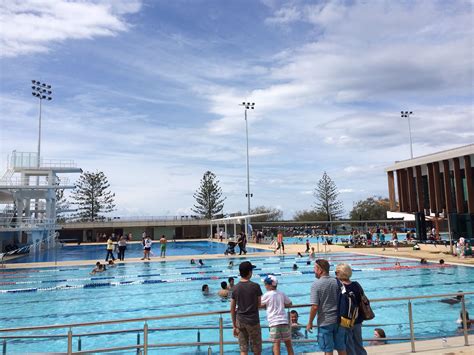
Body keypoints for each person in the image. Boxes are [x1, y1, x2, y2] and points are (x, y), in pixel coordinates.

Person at [306, 259, 347, 355]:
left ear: (320, 270)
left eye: (315, 268)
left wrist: (310, 322)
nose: (314, 270)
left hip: (325, 322)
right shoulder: (337, 282)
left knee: (328, 350)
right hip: (339, 320)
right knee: (341, 348)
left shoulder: (316, 285)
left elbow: (315, 307)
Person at [230, 261, 263, 355]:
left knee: (243, 350)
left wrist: (234, 325)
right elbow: (259, 304)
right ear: (249, 272)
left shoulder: (235, 288)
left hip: (240, 321)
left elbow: (232, 308)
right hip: (253, 321)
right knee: (257, 349)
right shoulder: (255, 286)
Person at [335, 263, 367, 355]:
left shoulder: (340, 287)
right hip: (357, 319)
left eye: (336, 272)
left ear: (340, 273)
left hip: (345, 320)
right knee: (359, 345)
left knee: (348, 347)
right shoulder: (356, 285)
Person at [260, 275, 294, 355]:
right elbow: (290, 303)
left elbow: (259, 304)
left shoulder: (267, 295)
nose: (264, 286)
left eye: (265, 284)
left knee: (276, 345)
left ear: (269, 285)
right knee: (288, 344)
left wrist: (266, 306)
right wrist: (282, 305)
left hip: (274, 323)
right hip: (284, 321)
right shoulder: (281, 293)